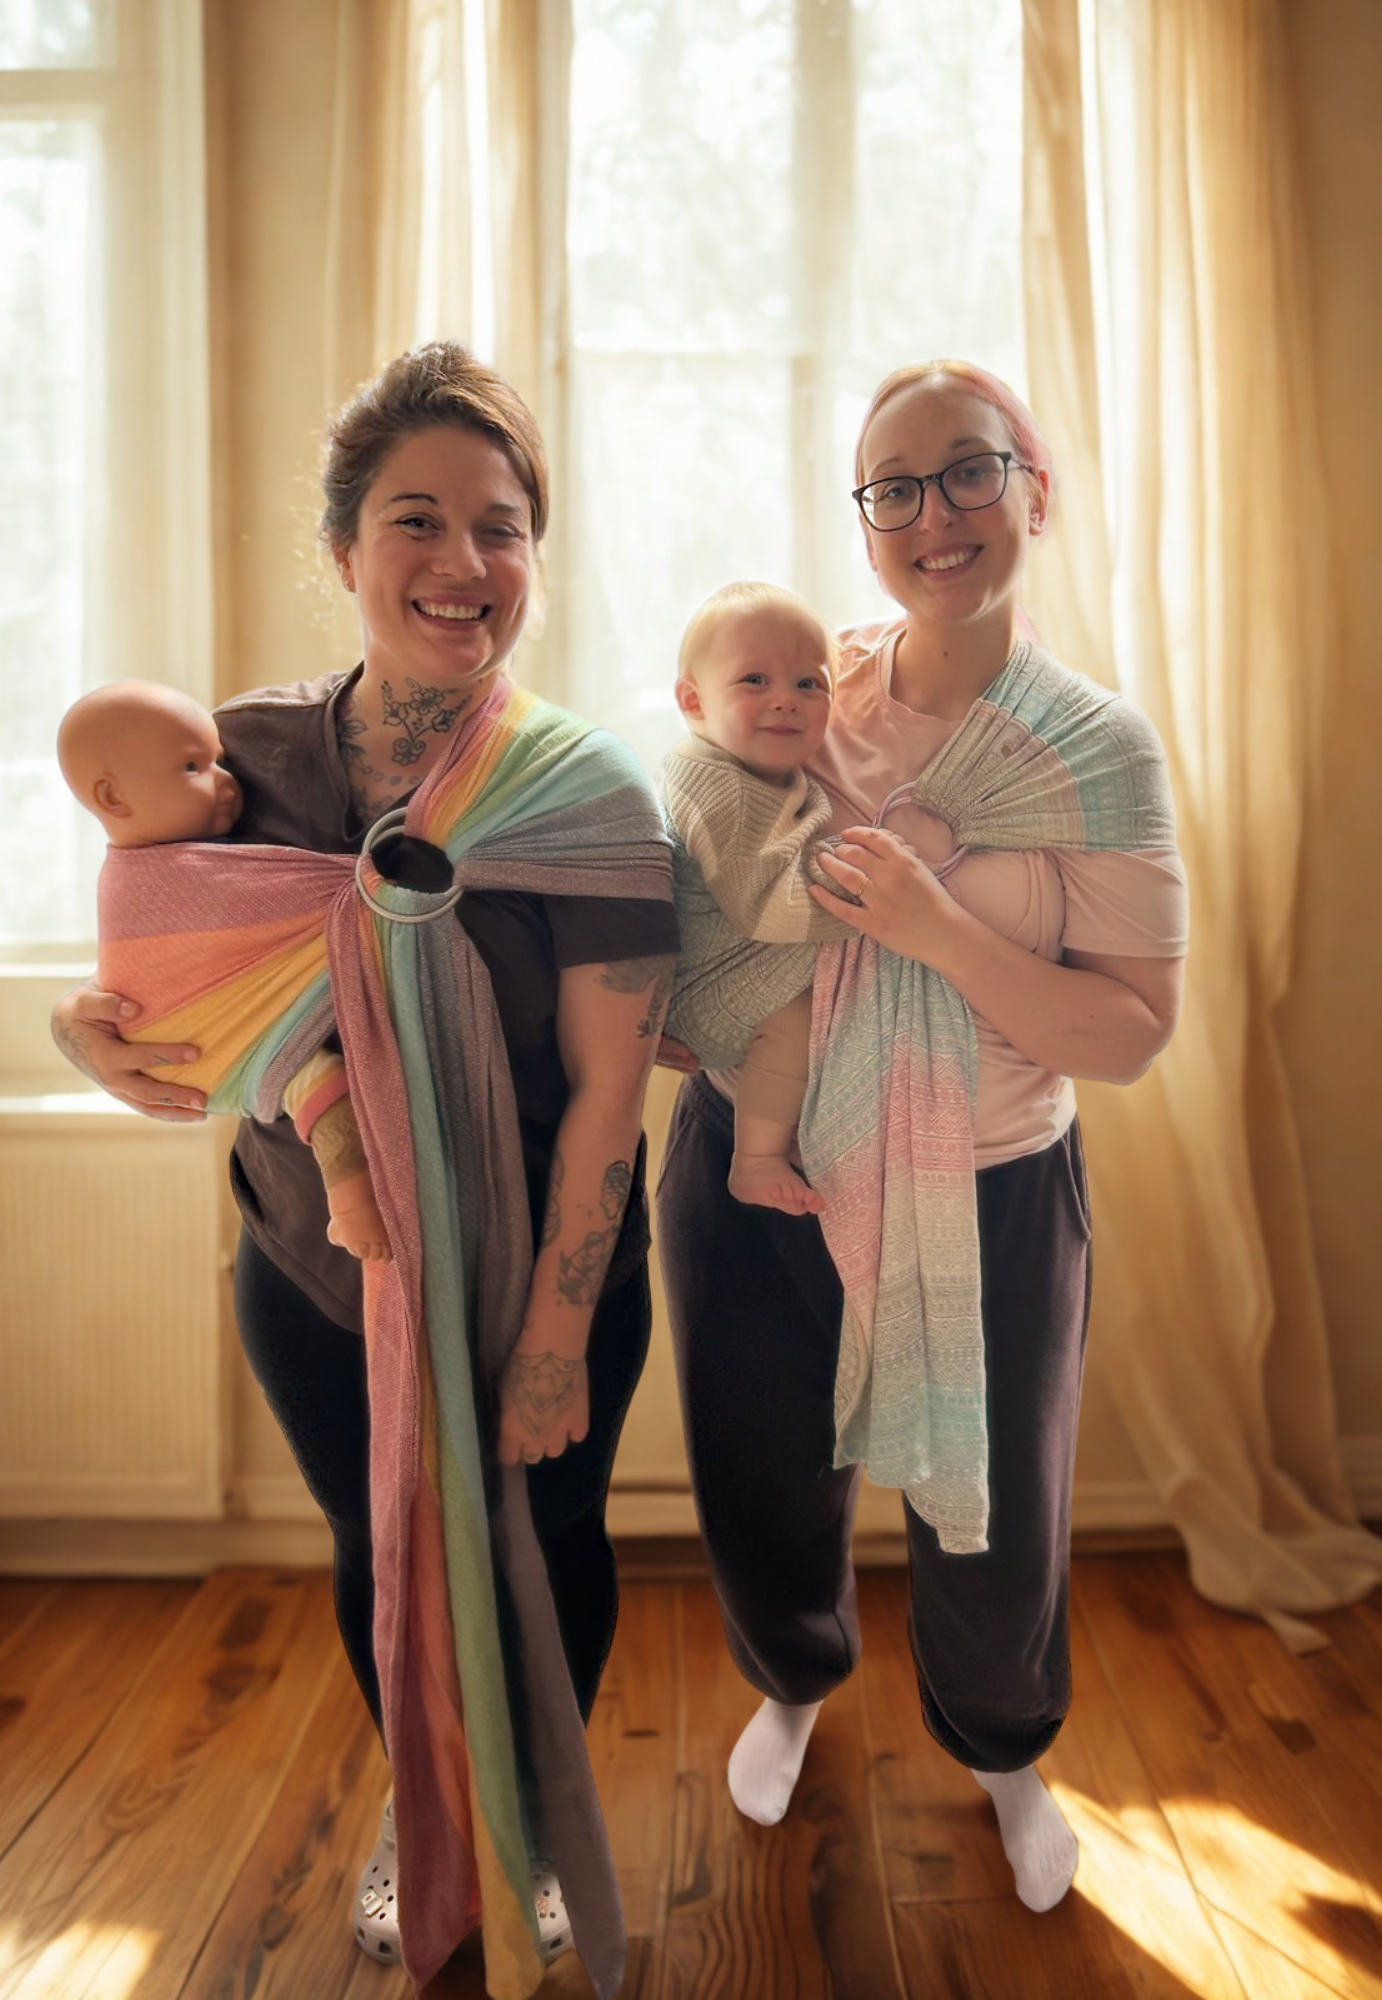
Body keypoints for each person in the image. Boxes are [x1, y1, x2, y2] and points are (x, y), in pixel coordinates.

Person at [50, 342, 678, 1989]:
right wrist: (80, 1030)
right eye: (416, 519)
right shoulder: (235, 760)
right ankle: (428, 1807)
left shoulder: (588, 796)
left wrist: (555, 1334)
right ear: (342, 549)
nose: (461, 561)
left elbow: (610, 1095)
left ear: (533, 555)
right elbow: (161, 955)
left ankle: (529, 1827)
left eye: (500, 526)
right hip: (317, 1271)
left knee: (546, 1544)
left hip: (550, 1269)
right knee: (375, 1540)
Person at [656, 360, 1187, 1915]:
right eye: (893, 487)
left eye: (968, 470)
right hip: (759, 1164)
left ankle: (1005, 1750)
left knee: (995, 1511)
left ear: (1035, 490)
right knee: (760, 1465)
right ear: (865, 519)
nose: (932, 514)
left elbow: (1129, 1033)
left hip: (986, 1181)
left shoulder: (1094, 752)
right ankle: (791, 1682)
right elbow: (691, 844)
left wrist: (937, 928)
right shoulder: (805, 682)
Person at [55, 679, 390, 1262]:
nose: (227, 781)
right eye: (195, 767)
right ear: (112, 797)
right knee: (326, 1090)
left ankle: (351, 1205)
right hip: (201, 1051)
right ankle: (352, 1201)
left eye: (217, 761)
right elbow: (323, 899)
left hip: (191, 1055)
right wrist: (69, 1020)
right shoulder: (157, 873)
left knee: (319, 1088)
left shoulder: (156, 866)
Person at [662, 581, 847, 1216]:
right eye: (754, 680)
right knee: (793, 1015)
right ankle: (757, 1158)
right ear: (694, 701)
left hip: (711, 972)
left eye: (809, 683)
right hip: (703, 993)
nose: (785, 700)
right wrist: (865, 896)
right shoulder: (718, 791)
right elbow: (764, 906)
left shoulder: (753, 770)